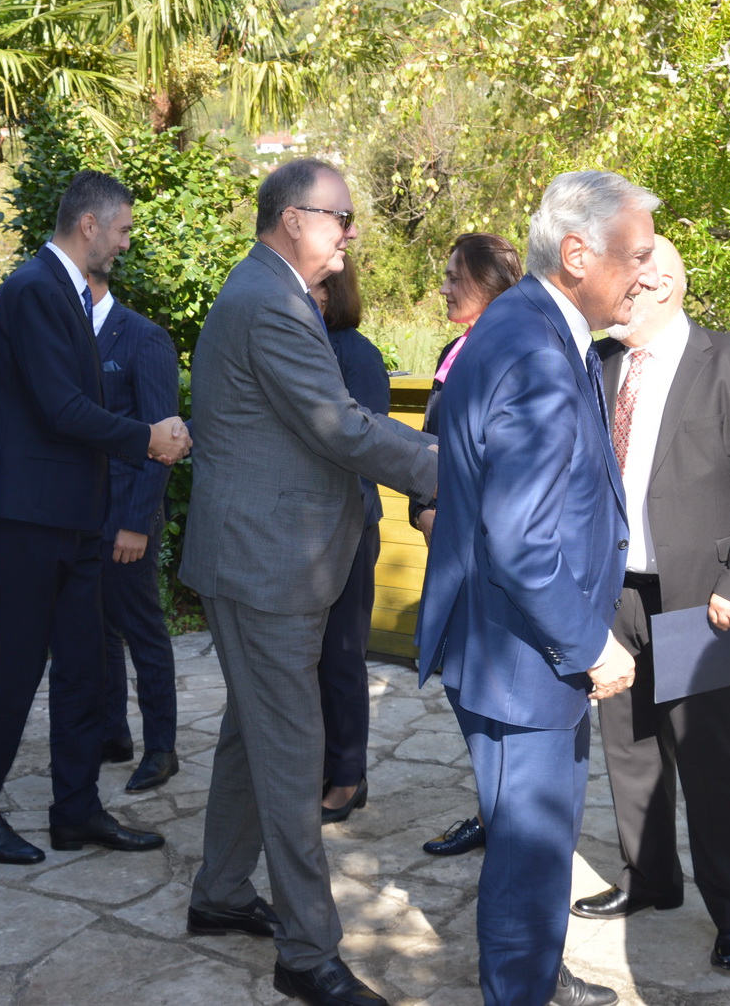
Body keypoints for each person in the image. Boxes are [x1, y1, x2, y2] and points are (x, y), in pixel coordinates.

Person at [181, 158, 438, 1006]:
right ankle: (306, 952)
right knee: (293, 756)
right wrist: (455, 467)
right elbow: (343, 429)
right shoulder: (270, 302)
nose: (351, 231)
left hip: (265, 558)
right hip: (266, 565)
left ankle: (221, 892)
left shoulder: (271, 293)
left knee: (252, 732)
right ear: (293, 218)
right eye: (341, 216)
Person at [417, 169, 658, 1006]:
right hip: (524, 659)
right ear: (579, 254)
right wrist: (590, 644)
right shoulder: (533, 347)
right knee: (530, 858)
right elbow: (521, 539)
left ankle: (535, 981)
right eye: (637, 254)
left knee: (532, 854)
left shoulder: (531, 323)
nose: (647, 273)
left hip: (509, 649)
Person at [0, 171, 190, 865]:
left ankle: (76, 809)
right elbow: (60, 409)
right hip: (27, 515)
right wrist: (147, 437)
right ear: (89, 224)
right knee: (17, 669)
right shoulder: (34, 290)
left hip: (76, 516)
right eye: (123, 229)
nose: (125, 243)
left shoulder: (68, 292)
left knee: (84, 668)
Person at [575, 237, 730, 977]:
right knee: (629, 747)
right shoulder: (600, 363)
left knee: (716, 762)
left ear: (661, 284)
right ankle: (650, 878)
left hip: (706, 597)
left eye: (626, 281)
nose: (613, 293)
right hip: (616, 591)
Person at [415, 232, 524, 860]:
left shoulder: (516, 352)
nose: (445, 286)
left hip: (494, 558)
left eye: (456, 275)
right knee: (460, 684)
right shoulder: (452, 352)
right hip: (449, 548)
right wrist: (424, 511)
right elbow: (429, 446)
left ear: (489, 282)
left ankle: (504, 815)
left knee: (493, 691)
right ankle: (493, 807)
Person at [85, 263, 182, 794]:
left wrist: (137, 523)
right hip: (81, 514)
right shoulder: (70, 336)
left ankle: (161, 748)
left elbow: (165, 442)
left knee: (143, 631)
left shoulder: (145, 337)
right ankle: (112, 733)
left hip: (127, 517)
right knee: (98, 630)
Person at [312, 261, 391, 824]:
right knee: (311, 660)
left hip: (350, 527)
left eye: (313, 287)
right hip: (304, 533)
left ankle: (347, 777)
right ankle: (319, 765)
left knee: (342, 658)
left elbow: (370, 443)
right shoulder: (300, 345)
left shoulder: (356, 354)